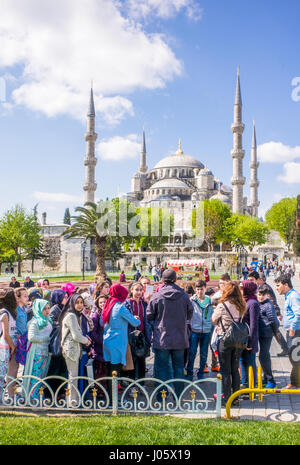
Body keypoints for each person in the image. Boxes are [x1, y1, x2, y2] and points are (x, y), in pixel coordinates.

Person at [146, 269, 193, 399]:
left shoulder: (157, 295)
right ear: (175, 280)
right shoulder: (183, 295)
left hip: (162, 338)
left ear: (162, 280)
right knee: (178, 368)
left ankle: (161, 396)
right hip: (179, 337)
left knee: (162, 369)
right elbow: (190, 313)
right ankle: (178, 396)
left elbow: (149, 315)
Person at [102, 284, 140, 402]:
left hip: (108, 341)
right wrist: (136, 318)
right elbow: (135, 323)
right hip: (117, 342)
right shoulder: (120, 307)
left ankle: (110, 398)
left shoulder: (108, 304)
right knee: (115, 372)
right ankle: (113, 401)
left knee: (110, 371)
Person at [211, 281, 246, 405]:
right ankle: (236, 398)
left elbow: (213, 320)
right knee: (235, 369)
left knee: (225, 371)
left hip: (225, 339)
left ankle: (227, 398)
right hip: (238, 341)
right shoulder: (241, 304)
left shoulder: (222, 305)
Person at [59, 294, 91, 404]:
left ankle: (74, 399)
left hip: (74, 349)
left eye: (81, 302)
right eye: (77, 302)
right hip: (71, 350)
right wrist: (86, 341)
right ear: (72, 303)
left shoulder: (77, 315)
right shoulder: (71, 316)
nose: (79, 305)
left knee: (74, 376)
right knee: (73, 376)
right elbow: (76, 336)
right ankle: (72, 401)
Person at [248, 270, 289, 356]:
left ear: (260, 279)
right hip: (266, 316)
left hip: (269, 316)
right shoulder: (261, 287)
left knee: (276, 331)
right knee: (275, 332)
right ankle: (285, 348)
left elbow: (272, 301)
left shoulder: (265, 288)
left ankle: (285, 348)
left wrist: (277, 313)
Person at [22, 299, 53, 402]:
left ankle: (39, 397)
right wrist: (47, 339)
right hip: (36, 353)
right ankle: (34, 399)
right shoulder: (34, 322)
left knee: (42, 377)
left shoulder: (48, 320)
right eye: (44, 309)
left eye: (48, 308)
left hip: (45, 352)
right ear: (38, 309)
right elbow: (31, 337)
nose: (47, 311)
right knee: (35, 376)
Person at [275, 274, 300, 388]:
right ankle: (295, 382)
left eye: (278, 285)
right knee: (293, 356)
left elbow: (298, 313)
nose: (277, 288)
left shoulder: (293, 296)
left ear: (286, 285)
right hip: (292, 330)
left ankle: (295, 383)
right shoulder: (288, 296)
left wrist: (292, 328)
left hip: (295, 331)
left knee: (295, 357)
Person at [185, 280, 213, 381]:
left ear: (205, 288)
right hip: (195, 330)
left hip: (206, 330)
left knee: (204, 354)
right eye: (197, 289)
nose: (199, 291)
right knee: (192, 353)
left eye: (201, 289)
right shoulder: (192, 300)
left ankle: (201, 373)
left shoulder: (210, 300)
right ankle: (189, 373)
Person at [124, 282, 151, 382]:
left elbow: (149, 318)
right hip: (131, 336)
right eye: (136, 290)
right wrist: (131, 318)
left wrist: (148, 302)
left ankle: (141, 384)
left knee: (141, 361)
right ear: (131, 290)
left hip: (142, 336)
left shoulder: (143, 303)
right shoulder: (127, 303)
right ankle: (131, 384)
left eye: (141, 290)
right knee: (132, 361)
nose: (139, 292)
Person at [6, 288, 29, 398]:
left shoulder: (23, 309)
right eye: (24, 296)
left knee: (17, 368)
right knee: (13, 369)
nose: (27, 298)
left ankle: (13, 391)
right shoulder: (16, 311)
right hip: (16, 341)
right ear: (18, 298)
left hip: (22, 340)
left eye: (27, 295)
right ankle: (10, 394)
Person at [46, 290, 69, 398]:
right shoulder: (54, 309)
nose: (66, 298)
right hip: (56, 344)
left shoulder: (64, 308)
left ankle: (59, 391)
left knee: (61, 369)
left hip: (62, 342)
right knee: (54, 370)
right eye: (64, 297)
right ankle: (51, 393)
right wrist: (64, 324)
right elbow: (51, 323)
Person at [257, 285, 279, 389]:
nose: (260, 297)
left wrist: (276, 331)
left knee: (263, 356)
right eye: (259, 294)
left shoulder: (268, 305)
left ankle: (271, 380)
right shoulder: (260, 304)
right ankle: (266, 378)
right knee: (264, 356)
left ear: (267, 295)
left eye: (263, 295)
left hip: (267, 333)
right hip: (261, 332)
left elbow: (273, 320)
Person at [239, 280, 260, 389]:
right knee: (242, 361)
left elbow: (253, 325)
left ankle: (252, 386)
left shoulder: (253, 303)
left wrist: (250, 343)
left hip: (249, 339)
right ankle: (245, 385)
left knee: (250, 363)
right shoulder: (245, 301)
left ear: (248, 289)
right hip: (242, 338)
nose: (240, 290)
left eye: (242, 288)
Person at [0, 290, 18, 403]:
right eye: (15, 296)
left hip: (7, 346)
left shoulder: (11, 312)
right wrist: (13, 347)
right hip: (4, 347)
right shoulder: (4, 313)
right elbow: (5, 334)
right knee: (1, 374)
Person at [91, 295, 109, 398]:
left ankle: (105, 390)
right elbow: (93, 333)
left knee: (106, 372)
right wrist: (102, 341)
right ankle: (99, 392)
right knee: (100, 372)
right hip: (99, 348)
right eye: (100, 302)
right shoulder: (95, 316)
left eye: (104, 302)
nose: (102, 304)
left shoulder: (109, 314)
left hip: (107, 348)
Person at [78, 292, 94, 396]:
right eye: (86, 307)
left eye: (90, 307)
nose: (88, 310)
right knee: (80, 374)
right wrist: (87, 348)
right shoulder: (81, 317)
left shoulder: (86, 317)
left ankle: (85, 394)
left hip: (86, 349)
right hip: (82, 350)